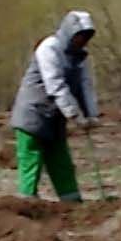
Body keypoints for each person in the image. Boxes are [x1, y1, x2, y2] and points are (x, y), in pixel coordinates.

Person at [10, 11, 98, 201]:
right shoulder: (49, 48)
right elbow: (55, 85)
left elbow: (85, 85)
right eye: (78, 36)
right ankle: (27, 203)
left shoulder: (80, 58)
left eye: (85, 37)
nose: (81, 41)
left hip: (55, 117)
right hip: (33, 114)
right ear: (69, 32)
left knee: (61, 161)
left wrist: (91, 115)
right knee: (31, 160)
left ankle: (71, 201)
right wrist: (74, 115)